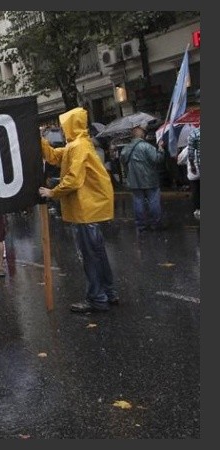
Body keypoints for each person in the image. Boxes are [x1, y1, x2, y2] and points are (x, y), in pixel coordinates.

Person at [39, 106, 118, 314]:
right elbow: (55, 156)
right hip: (88, 208)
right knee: (98, 253)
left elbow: (73, 180)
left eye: (65, 126)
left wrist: (52, 192)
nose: (63, 130)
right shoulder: (78, 144)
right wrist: (40, 141)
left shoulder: (78, 146)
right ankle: (108, 292)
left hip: (85, 210)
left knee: (90, 255)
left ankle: (97, 298)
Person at [120, 124, 166, 232]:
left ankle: (141, 226)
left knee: (138, 202)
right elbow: (157, 159)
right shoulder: (146, 146)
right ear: (142, 135)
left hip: (134, 180)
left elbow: (123, 161)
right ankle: (156, 224)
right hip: (150, 179)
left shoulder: (126, 148)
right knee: (153, 201)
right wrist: (160, 148)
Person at [178, 126, 200, 219]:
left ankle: (198, 209)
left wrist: (191, 164)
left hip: (195, 171)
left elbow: (182, 158)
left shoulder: (193, 134)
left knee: (196, 190)